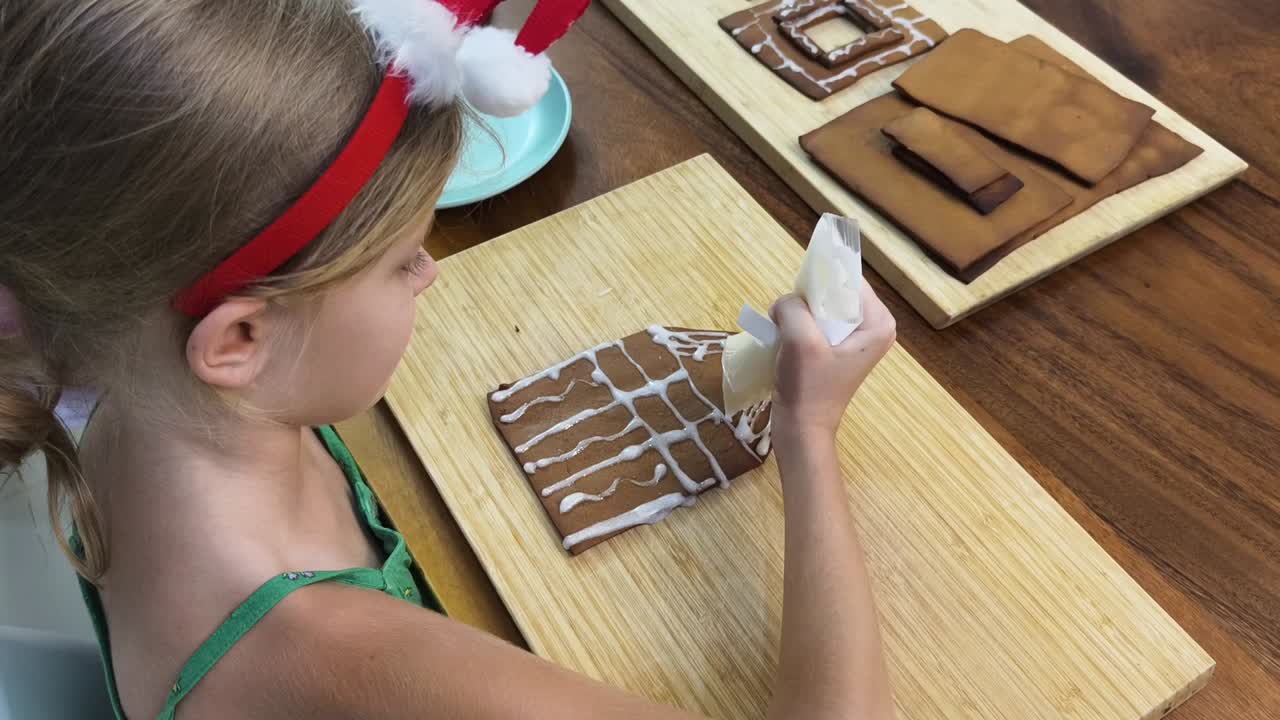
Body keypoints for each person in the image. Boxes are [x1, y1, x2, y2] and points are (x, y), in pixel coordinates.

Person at [0, 1, 898, 718]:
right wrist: (807, 432)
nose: (430, 274)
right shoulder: (331, 653)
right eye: (400, 261)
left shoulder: (93, 363)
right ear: (238, 340)